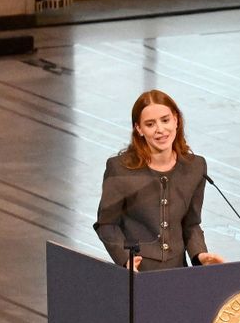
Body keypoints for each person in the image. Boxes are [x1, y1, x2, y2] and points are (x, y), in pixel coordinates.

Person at [94, 89, 226, 271]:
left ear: (176, 120)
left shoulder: (195, 166)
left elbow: (191, 224)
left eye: (165, 120)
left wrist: (200, 255)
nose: (160, 130)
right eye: (150, 124)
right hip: (138, 273)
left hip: (179, 273)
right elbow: (106, 224)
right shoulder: (119, 168)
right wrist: (126, 259)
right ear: (139, 129)